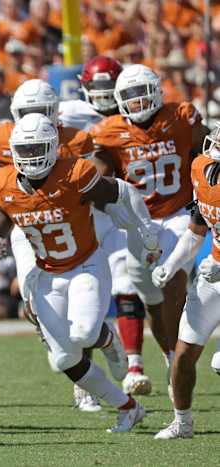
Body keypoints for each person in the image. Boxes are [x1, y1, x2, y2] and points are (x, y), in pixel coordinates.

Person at [0, 113, 159, 433]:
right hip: (46, 274)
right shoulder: (3, 183)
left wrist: (142, 230)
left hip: (86, 265)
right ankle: (128, 407)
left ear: (53, 148)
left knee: (84, 335)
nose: (31, 156)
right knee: (64, 360)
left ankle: (108, 339)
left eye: (37, 147)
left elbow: (119, 193)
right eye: (24, 150)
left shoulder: (76, 173)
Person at [0, 78, 125, 412]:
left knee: (79, 309)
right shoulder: (1, 139)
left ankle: (86, 378)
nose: (35, 119)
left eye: (42, 111)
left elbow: (103, 170)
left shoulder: (74, 137)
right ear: (15, 113)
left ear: (55, 112)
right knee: (35, 303)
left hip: (71, 223)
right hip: (27, 227)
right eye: (28, 112)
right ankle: (87, 356)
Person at [91, 64, 210, 400]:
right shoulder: (109, 131)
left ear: (158, 91)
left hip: (178, 213)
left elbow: (207, 151)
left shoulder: (181, 116)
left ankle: (176, 362)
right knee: (151, 298)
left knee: (172, 283)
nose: (138, 101)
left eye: (143, 92)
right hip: (137, 220)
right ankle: (172, 355)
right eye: (129, 95)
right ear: (118, 99)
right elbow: (100, 177)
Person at [60, 56, 151, 397]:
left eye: (107, 88)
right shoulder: (68, 113)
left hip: (115, 205)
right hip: (75, 211)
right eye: (95, 88)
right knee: (75, 289)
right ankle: (84, 381)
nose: (102, 96)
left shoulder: (133, 111)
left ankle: (135, 364)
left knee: (126, 282)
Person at [152, 123, 220, 439]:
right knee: (183, 354)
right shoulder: (200, 169)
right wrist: (171, 264)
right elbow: (196, 229)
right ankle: (182, 421)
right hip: (213, 274)